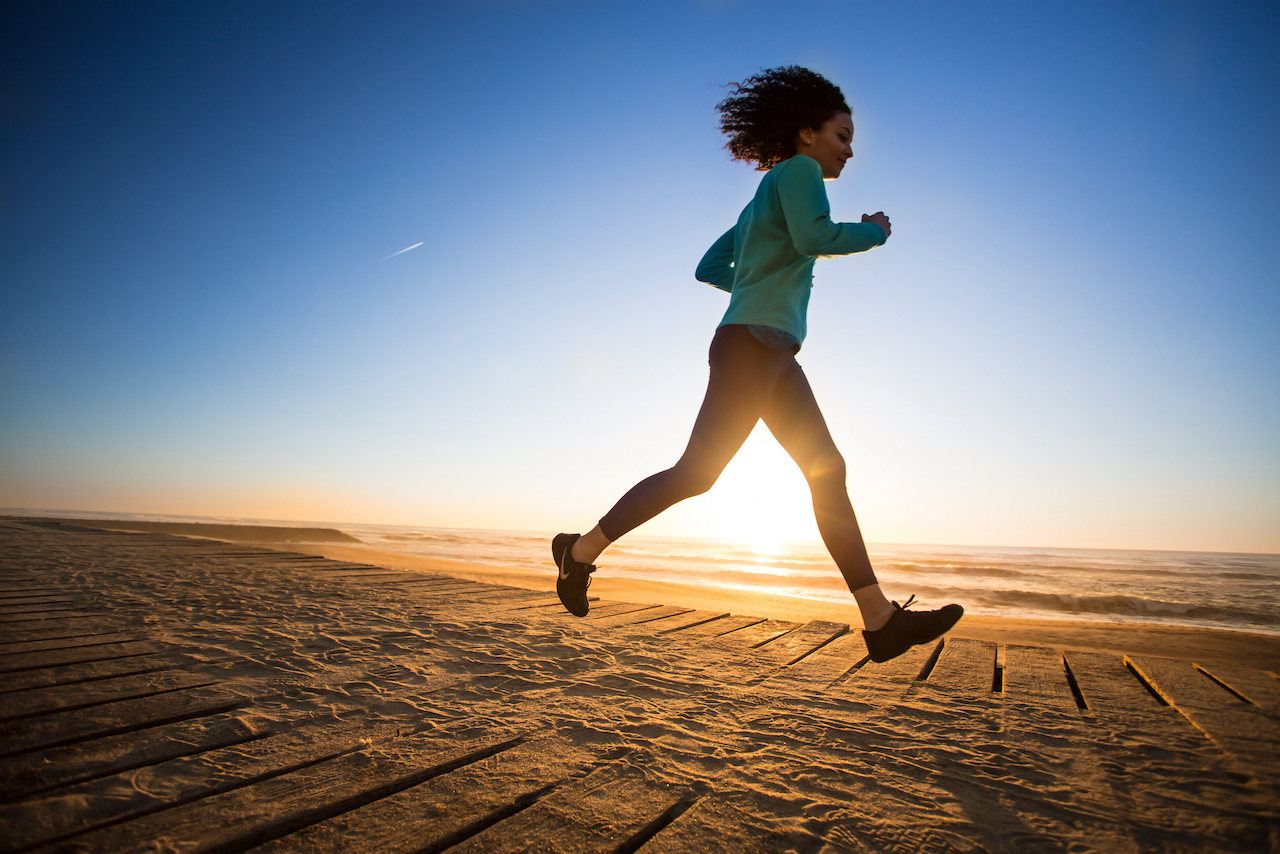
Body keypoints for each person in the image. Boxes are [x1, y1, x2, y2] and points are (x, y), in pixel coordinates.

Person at [553, 66, 962, 663]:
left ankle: (879, 621)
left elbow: (709, 268)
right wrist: (874, 231)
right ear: (806, 134)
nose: (850, 150)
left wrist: (752, 285)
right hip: (752, 347)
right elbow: (814, 234)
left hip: (769, 349)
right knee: (697, 474)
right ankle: (580, 551)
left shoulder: (755, 206)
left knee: (827, 470)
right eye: (842, 136)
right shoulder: (798, 173)